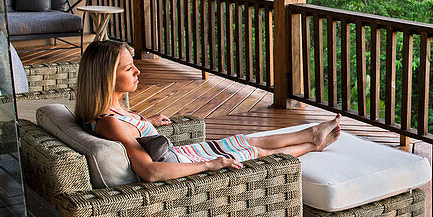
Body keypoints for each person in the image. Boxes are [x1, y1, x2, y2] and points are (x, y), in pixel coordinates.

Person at [75, 40, 340, 182]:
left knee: (246, 139)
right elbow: (151, 172)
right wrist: (210, 165)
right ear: (107, 78)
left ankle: (311, 131)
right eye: (128, 68)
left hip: (180, 154)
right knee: (257, 152)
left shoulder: (114, 110)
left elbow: (133, 132)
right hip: (184, 166)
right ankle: (313, 145)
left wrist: (148, 122)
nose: (137, 71)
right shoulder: (111, 123)